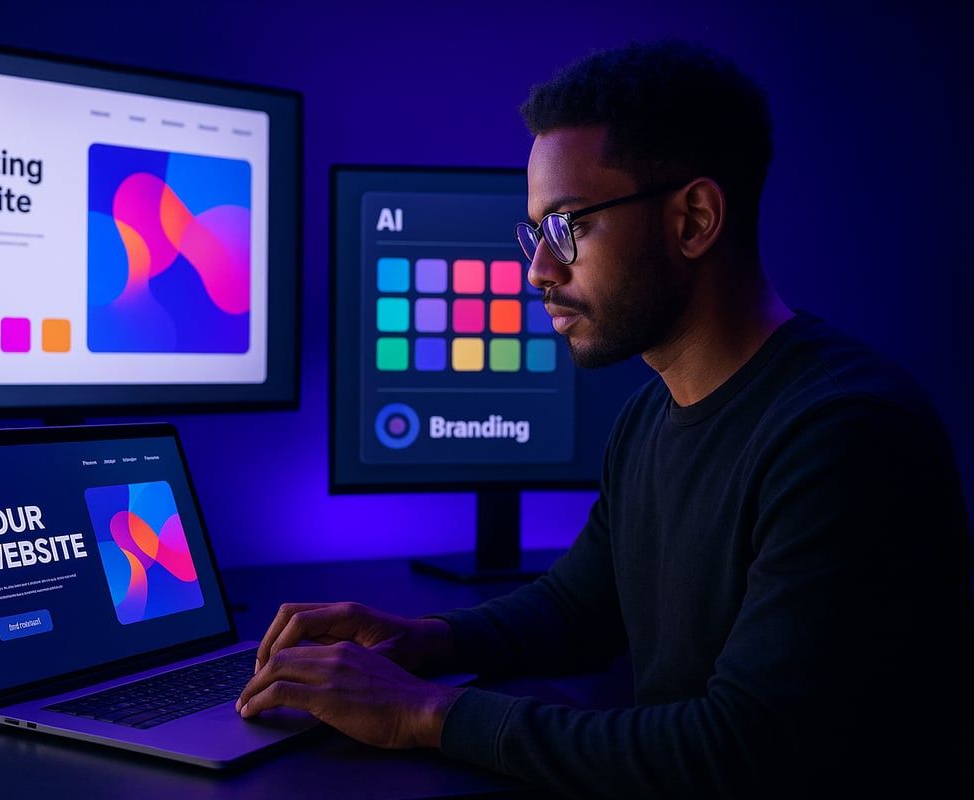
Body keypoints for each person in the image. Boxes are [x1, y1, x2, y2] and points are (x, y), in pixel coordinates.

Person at [235, 40, 974, 797]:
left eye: (568, 226)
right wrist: (423, 642)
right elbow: (580, 606)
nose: (539, 273)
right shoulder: (650, 415)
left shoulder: (845, 436)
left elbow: (742, 752)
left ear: (693, 220)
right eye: (535, 234)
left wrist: (422, 714)